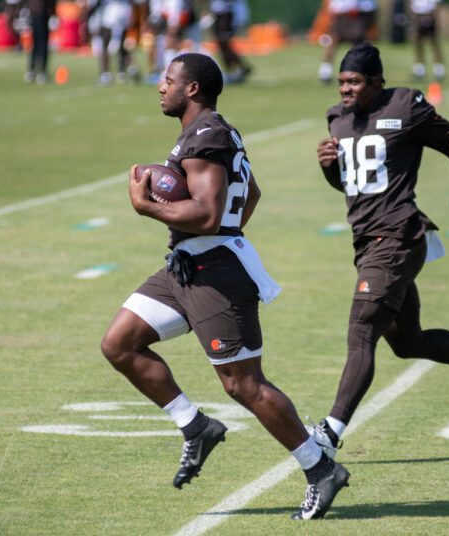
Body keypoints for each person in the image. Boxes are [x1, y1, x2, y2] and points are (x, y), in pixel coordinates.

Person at [100, 52, 350, 520]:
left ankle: (320, 469)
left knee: (244, 385)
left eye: (168, 79)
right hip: (185, 268)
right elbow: (249, 192)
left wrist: (149, 208)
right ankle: (195, 427)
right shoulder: (212, 132)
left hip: (214, 276)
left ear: (191, 88)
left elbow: (208, 214)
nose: (160, 86)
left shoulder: (206, 135)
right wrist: (222, 233)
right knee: (120, 343)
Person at [310, 42, 449, 458]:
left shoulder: (405, 106)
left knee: (361, 331)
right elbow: (354, 184)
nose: (345, 90)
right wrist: (328, 168)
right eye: (341, 82)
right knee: (408, 342)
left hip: (398, 237)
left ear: (377, 82)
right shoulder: (336, 119)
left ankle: (330, 434)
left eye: (354, 82)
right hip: (367, 240)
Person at [317, 0, 378, 84]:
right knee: (333, 40)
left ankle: (361, 72)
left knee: (359, 44)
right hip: (342, 10)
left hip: (362, 9)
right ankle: (325, 72)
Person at [84, 0, 140, 85]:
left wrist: (90, 14)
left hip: (112, 10)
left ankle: (106, 73)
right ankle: (124, 70)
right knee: (121, 43)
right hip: (124, 9)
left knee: (106, 41)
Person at [207, 0, 251, 83]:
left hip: (225, 14)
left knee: (224, 44)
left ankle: (241, 67)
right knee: (222, 45)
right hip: (219, 14)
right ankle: (231, 71)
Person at [409, 0, 444, 80]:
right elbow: (411, 4)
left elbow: (438, 4)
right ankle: (420, 71)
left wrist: (432, 16)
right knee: (418, 44)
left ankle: (439, 70)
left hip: (429, 15)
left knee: (434, 43)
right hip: (417, 15)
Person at [25, 0, 56, 84]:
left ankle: (32, 71)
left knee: (36, 44)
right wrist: (53, 14)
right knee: (42, 45)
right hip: (42, 15)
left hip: (35, 14)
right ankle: (41, 71)